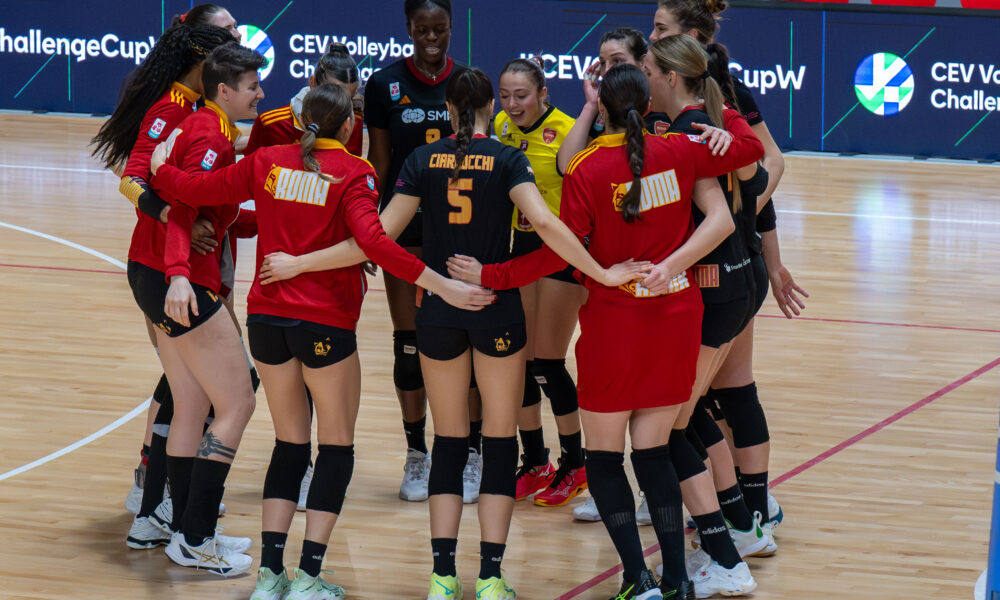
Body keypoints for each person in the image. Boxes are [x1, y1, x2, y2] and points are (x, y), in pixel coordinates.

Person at [255, 67, 645, 600]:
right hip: (494, 306)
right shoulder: (507, 158)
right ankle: (490, 577)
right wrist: (598, 272)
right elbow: (548, 226)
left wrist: (300, 263)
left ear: (448, 112)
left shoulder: (421, 159)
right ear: (491, 108)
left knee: (449, 441)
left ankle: (442, 577)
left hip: (437, 310)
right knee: (499, 442)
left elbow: (377, 239)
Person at [151, 80, 494, 599]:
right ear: (350, 124)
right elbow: (375, 243)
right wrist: (441, 284)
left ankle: (270, 575)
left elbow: (197, 191)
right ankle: (309, 577)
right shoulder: (354, 172)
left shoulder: (266, 161)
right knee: (335, 446)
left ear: (299, 119)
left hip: (267, 321)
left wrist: (161, 169)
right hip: (325, 324)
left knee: (289, 444)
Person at [447, 63, 764, 600]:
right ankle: (678, 580)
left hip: (615, 321)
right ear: (648, 104)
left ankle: (638, 580)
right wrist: (724, 119)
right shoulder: (680, 149)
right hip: (676, 315)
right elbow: (752, 152)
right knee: (655, 451)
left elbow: (559, 250)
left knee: (604, 458)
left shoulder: (588, 167)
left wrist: (493, 275)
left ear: (603, 112)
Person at [651, 0, 808, 535]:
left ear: (690, 38)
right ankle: (738, 508)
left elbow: (769, 164)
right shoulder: (669, 104)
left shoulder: (720, 99)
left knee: (705, 400)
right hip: (723, 264)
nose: (653, 36)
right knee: (713, 395)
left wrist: (749, 233)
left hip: (721, 265)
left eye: (661, 28)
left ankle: (743, 513)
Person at [89, 22, 236, 550]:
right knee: (206, 389)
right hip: (165, 265)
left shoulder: (204, 111)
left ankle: (162, 510)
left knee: (190, 389)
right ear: (206, 62)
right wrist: (175, 214)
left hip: (193, 263)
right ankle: (165, 504)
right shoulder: (169, 109)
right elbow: (131, 180)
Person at [364, 0, 483, 504]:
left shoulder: (468, 82)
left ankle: (472, 453)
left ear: (453, 28)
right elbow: (379, 162)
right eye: (422, 30)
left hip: (460, 232)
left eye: (440, 29)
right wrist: (371, 228)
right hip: (406, 229)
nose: (432, 38)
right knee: (408, 344)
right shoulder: (384, 84)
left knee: (465, 343)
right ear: (408, 29)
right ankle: (417, 453)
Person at [493, 57, 588, 508]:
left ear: (543, 94)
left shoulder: (569, 131)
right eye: (505, 96)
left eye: (522, 96)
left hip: (563, 250)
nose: (512, 105)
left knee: (548, 361)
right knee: (521, 360)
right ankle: (535, 462)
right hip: (523, 248)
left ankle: (576, 464)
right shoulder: (500, 126)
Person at [556, 27, 648, 175]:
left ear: (643, 62)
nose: (607, 70)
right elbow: (566, 166)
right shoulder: (600, 109)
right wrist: (592, 105)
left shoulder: (659, 107)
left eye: (617, 61)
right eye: (603, 63)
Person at [246, 43, 363, 157]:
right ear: (312, 83)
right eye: (333, 97)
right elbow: (249, 168)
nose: (343, 107)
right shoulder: (270, 124)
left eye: (350, 99)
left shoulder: (352, 121)